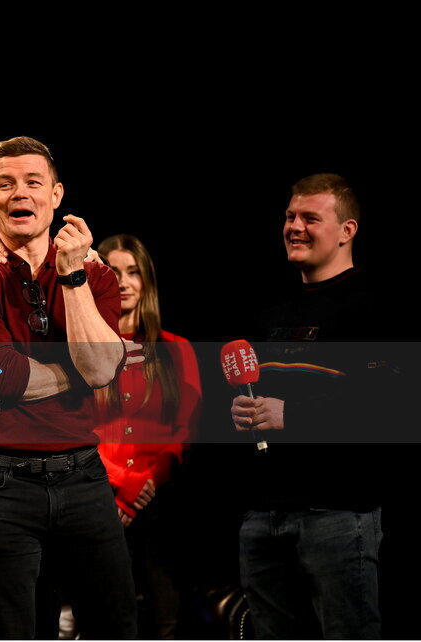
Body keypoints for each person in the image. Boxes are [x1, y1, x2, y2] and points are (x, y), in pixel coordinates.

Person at [0, 135, 137, 639]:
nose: (18, 193)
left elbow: (100, 371)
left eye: (33, 182)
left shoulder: (92, 274)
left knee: (114, 624)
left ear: (56, 195)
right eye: (4, 184)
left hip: (83, 476)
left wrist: (72, 278)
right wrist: (74, 372)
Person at [229, 174, 384, 638]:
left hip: (337, 516)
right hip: (263, 517)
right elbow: (262, 399)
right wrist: (243, 413)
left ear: (346, 230)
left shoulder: (372, 304)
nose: (294, 226)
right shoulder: (272, 313)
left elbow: (388, 399)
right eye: (290, 216)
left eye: (310, 218)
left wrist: (289, 415)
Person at [94, 234, 201, 639]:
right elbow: (74, 427)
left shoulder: (177, 349)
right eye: (112, 272)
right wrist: (120, 485)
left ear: (147, 282)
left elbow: (183, 432)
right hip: (98, 501)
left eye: (133, 272)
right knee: (105, 620)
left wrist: (146, 483)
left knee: (166, 620)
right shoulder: (78, 348)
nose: (123, 282)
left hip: (159, 503)